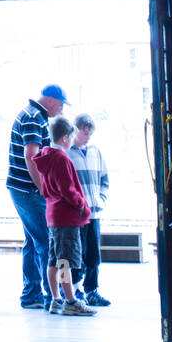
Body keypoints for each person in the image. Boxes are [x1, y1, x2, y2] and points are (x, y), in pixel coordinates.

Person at [7, 84, 67, 310]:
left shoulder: (33, 115)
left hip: (22, 189)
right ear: (51, 100)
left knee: (33, 241)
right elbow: (31, 156)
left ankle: (31, 295)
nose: (60, 111)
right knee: (46, 241)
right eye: (60, 105)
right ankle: (55, 296)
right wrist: (44, 189)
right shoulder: (33, 118)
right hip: (28, 191)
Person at [33, 118, 95, 316]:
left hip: (52, 213)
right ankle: (70, 301)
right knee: (65, 261)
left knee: (53, 260)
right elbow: (67, 189)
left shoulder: (45, 155)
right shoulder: (61, 158)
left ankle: (55, 299)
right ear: (65, 137)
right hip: (65, 216)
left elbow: (47, 187)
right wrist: (82, 206)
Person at [66, 113, 111, 307]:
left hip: (94, 213)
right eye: (85, 133)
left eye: (90, 133)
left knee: (94, 255)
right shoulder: (67, 153)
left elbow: (105, 180)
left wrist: (101, 200)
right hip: (76, 215)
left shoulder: (96, 152)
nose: (88, 136)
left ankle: (92, 290)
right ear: (76, 130)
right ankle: (75, 292)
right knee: (77, 254)